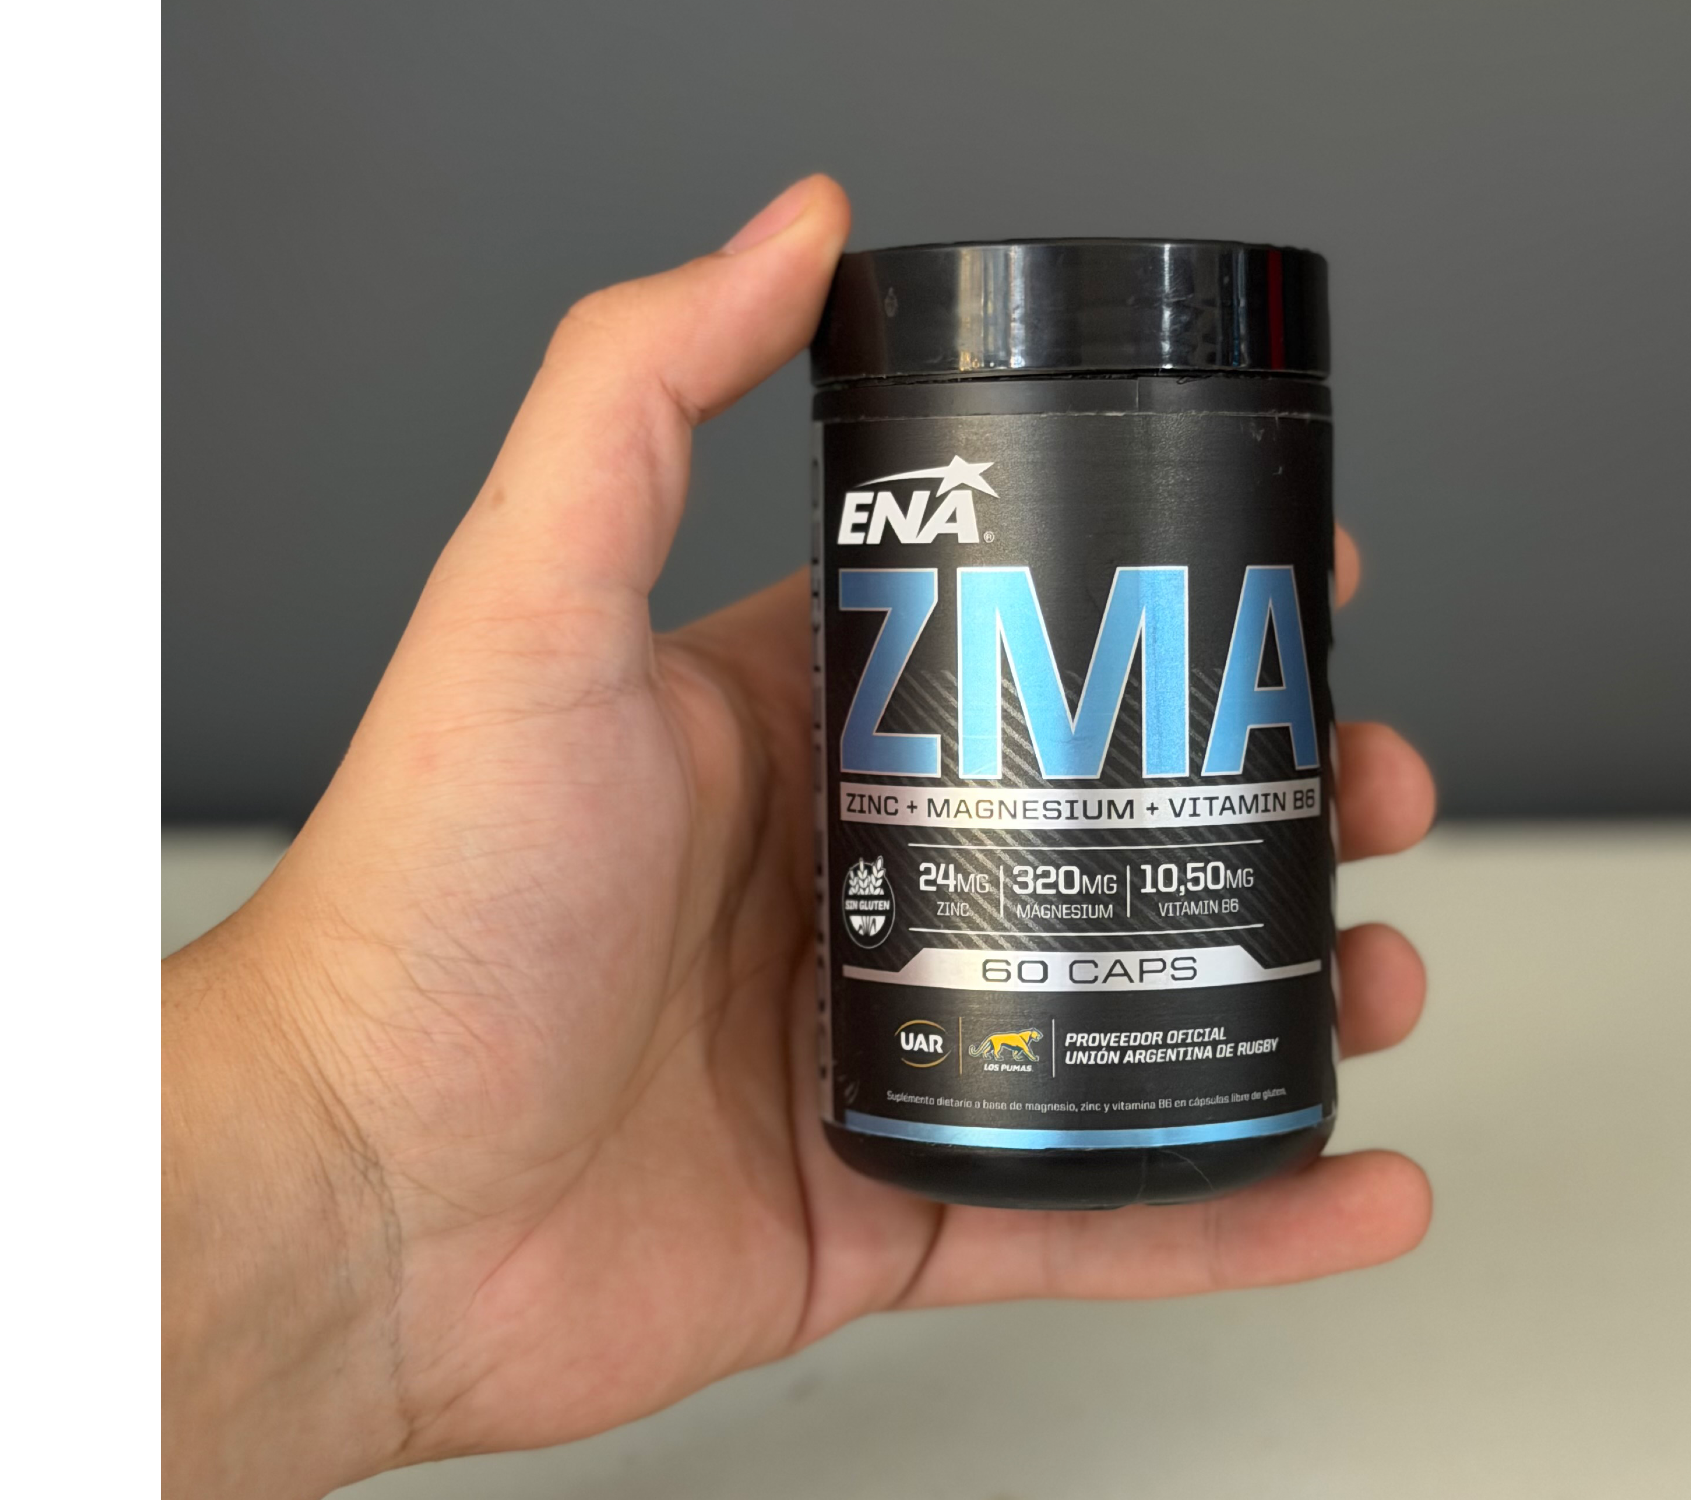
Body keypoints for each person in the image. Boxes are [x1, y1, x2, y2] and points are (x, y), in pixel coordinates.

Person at [160, 176, 1436, 1499]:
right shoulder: (901, 449)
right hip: (908, 1064)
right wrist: (340, 1138)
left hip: (1205, 1060)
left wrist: (347, 1193)